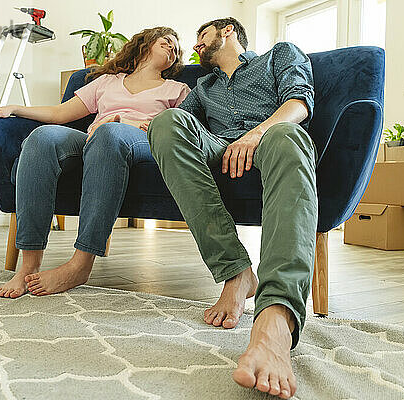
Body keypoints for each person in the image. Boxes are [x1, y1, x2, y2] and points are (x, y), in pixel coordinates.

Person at [147, 18, 316, 399]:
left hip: (271, 136)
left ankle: (276, 317)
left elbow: (299, 102)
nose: (195, 47)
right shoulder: (203, 86)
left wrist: (255, 135)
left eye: (201, 37)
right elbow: (182, 126)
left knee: (289, 135)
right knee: (167, 122)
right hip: (221, 147)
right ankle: (236, 271)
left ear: (226, 32)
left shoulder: (278, 55)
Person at [0, 27, 190, 299]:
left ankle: (80, 265)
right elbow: (61, 112)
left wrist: (127, 123)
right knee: (42, 137)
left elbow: (178, 130)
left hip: (140, 142)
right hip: (96, 138)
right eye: (166, 42)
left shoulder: (177, 89)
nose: (173, 49)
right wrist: (14, 108)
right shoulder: (108, 82)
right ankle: (28, 266)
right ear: (144, 44)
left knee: (109, 133)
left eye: (176, 47)